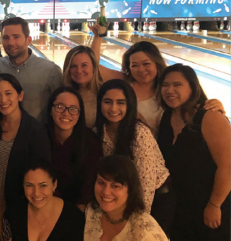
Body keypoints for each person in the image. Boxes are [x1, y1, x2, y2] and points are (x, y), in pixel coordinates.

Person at [90, 35, 224, 134]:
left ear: (156, 63)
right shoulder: (124, 83)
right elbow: (93, 65)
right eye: (134, 65)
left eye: (146, 64)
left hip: (168, 150)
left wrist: (214, 105)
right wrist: (98, 37)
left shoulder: (168, 87)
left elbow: (193, 102)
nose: (141, 70)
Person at [156, 64, 230, 241]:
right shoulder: (166, 118)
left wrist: (214, 204)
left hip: (209, 202)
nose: (169, 90)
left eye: (177, 84)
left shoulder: (210, 117)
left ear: (192, 87)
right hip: (180, 204)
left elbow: (227, 166)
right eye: (165, 85)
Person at [0, 73, 51, 210]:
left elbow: (42, 173)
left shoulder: (35, 130)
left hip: (20, 206)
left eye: (8, 93)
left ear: (20, 95)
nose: (3, 100)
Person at [95, 79, 169, 215]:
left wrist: (139, 221)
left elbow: (146, 186)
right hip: (121, 197)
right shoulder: (98, 131)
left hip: (157, 198)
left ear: (129, 105)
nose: (113, 108)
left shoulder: (140, 133)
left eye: (120, 103)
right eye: (107, 102)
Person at [0, 17, 61, 122]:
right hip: (5, 133)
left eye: (16, 37)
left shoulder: (51, 70)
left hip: (38, 134)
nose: (11, 43)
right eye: (6, 37)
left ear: (28, 40)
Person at [85, 155, 168, 241]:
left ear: (130, 190)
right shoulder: (91, 212)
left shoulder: (146, 234)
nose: (106, 192)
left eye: (115, 186)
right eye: (101, 183)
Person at [46, 87, 102, 210]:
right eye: (60, 107)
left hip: (77, 208)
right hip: (43, 203)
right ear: (51, 110)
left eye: (73, 109)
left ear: (80, 114)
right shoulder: (39, 136)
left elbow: (86, 190)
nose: (66, 113)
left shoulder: (91, 142)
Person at [7, 159, 85, 241]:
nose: (36, 193)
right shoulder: (14, 213)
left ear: (54, 185)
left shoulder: (73, 217)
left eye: (43, 185)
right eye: (29, 185)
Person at [61, 45, 103, 128]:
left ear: (94, 67)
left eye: (84, 65)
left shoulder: (105, 92)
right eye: (73, 66)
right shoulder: (62, 95)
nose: (79, 71)